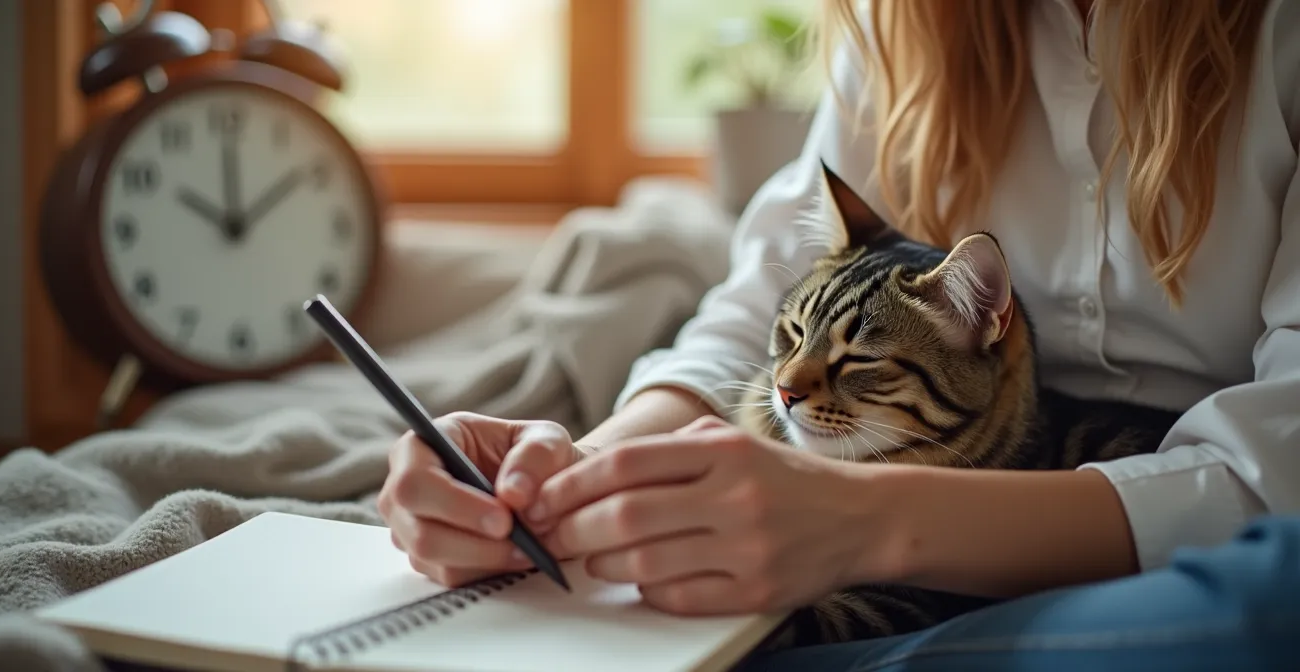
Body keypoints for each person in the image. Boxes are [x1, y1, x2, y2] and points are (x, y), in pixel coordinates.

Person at [378, 0, 1300, 668]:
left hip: (1178, 549)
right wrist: (570, 474)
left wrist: (866, 525)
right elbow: (755, 316)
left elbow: (1279, 468)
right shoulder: (909, 24)